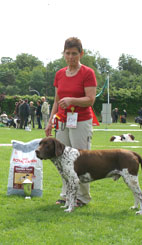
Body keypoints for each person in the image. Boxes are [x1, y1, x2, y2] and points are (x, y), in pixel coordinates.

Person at [44, 37, 97, 207]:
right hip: (62, 121)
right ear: (63, 54)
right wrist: (51, 120)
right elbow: (56, 100)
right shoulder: (59, 74)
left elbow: (90, 99)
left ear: (81, 54)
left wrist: (72, 101)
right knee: (62, 159)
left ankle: (82, 196)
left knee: (81, 160)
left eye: (74, 53)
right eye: (67, 53)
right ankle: (66, 194)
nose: (71, 57)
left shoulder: (87, 73)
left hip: (81, 121)